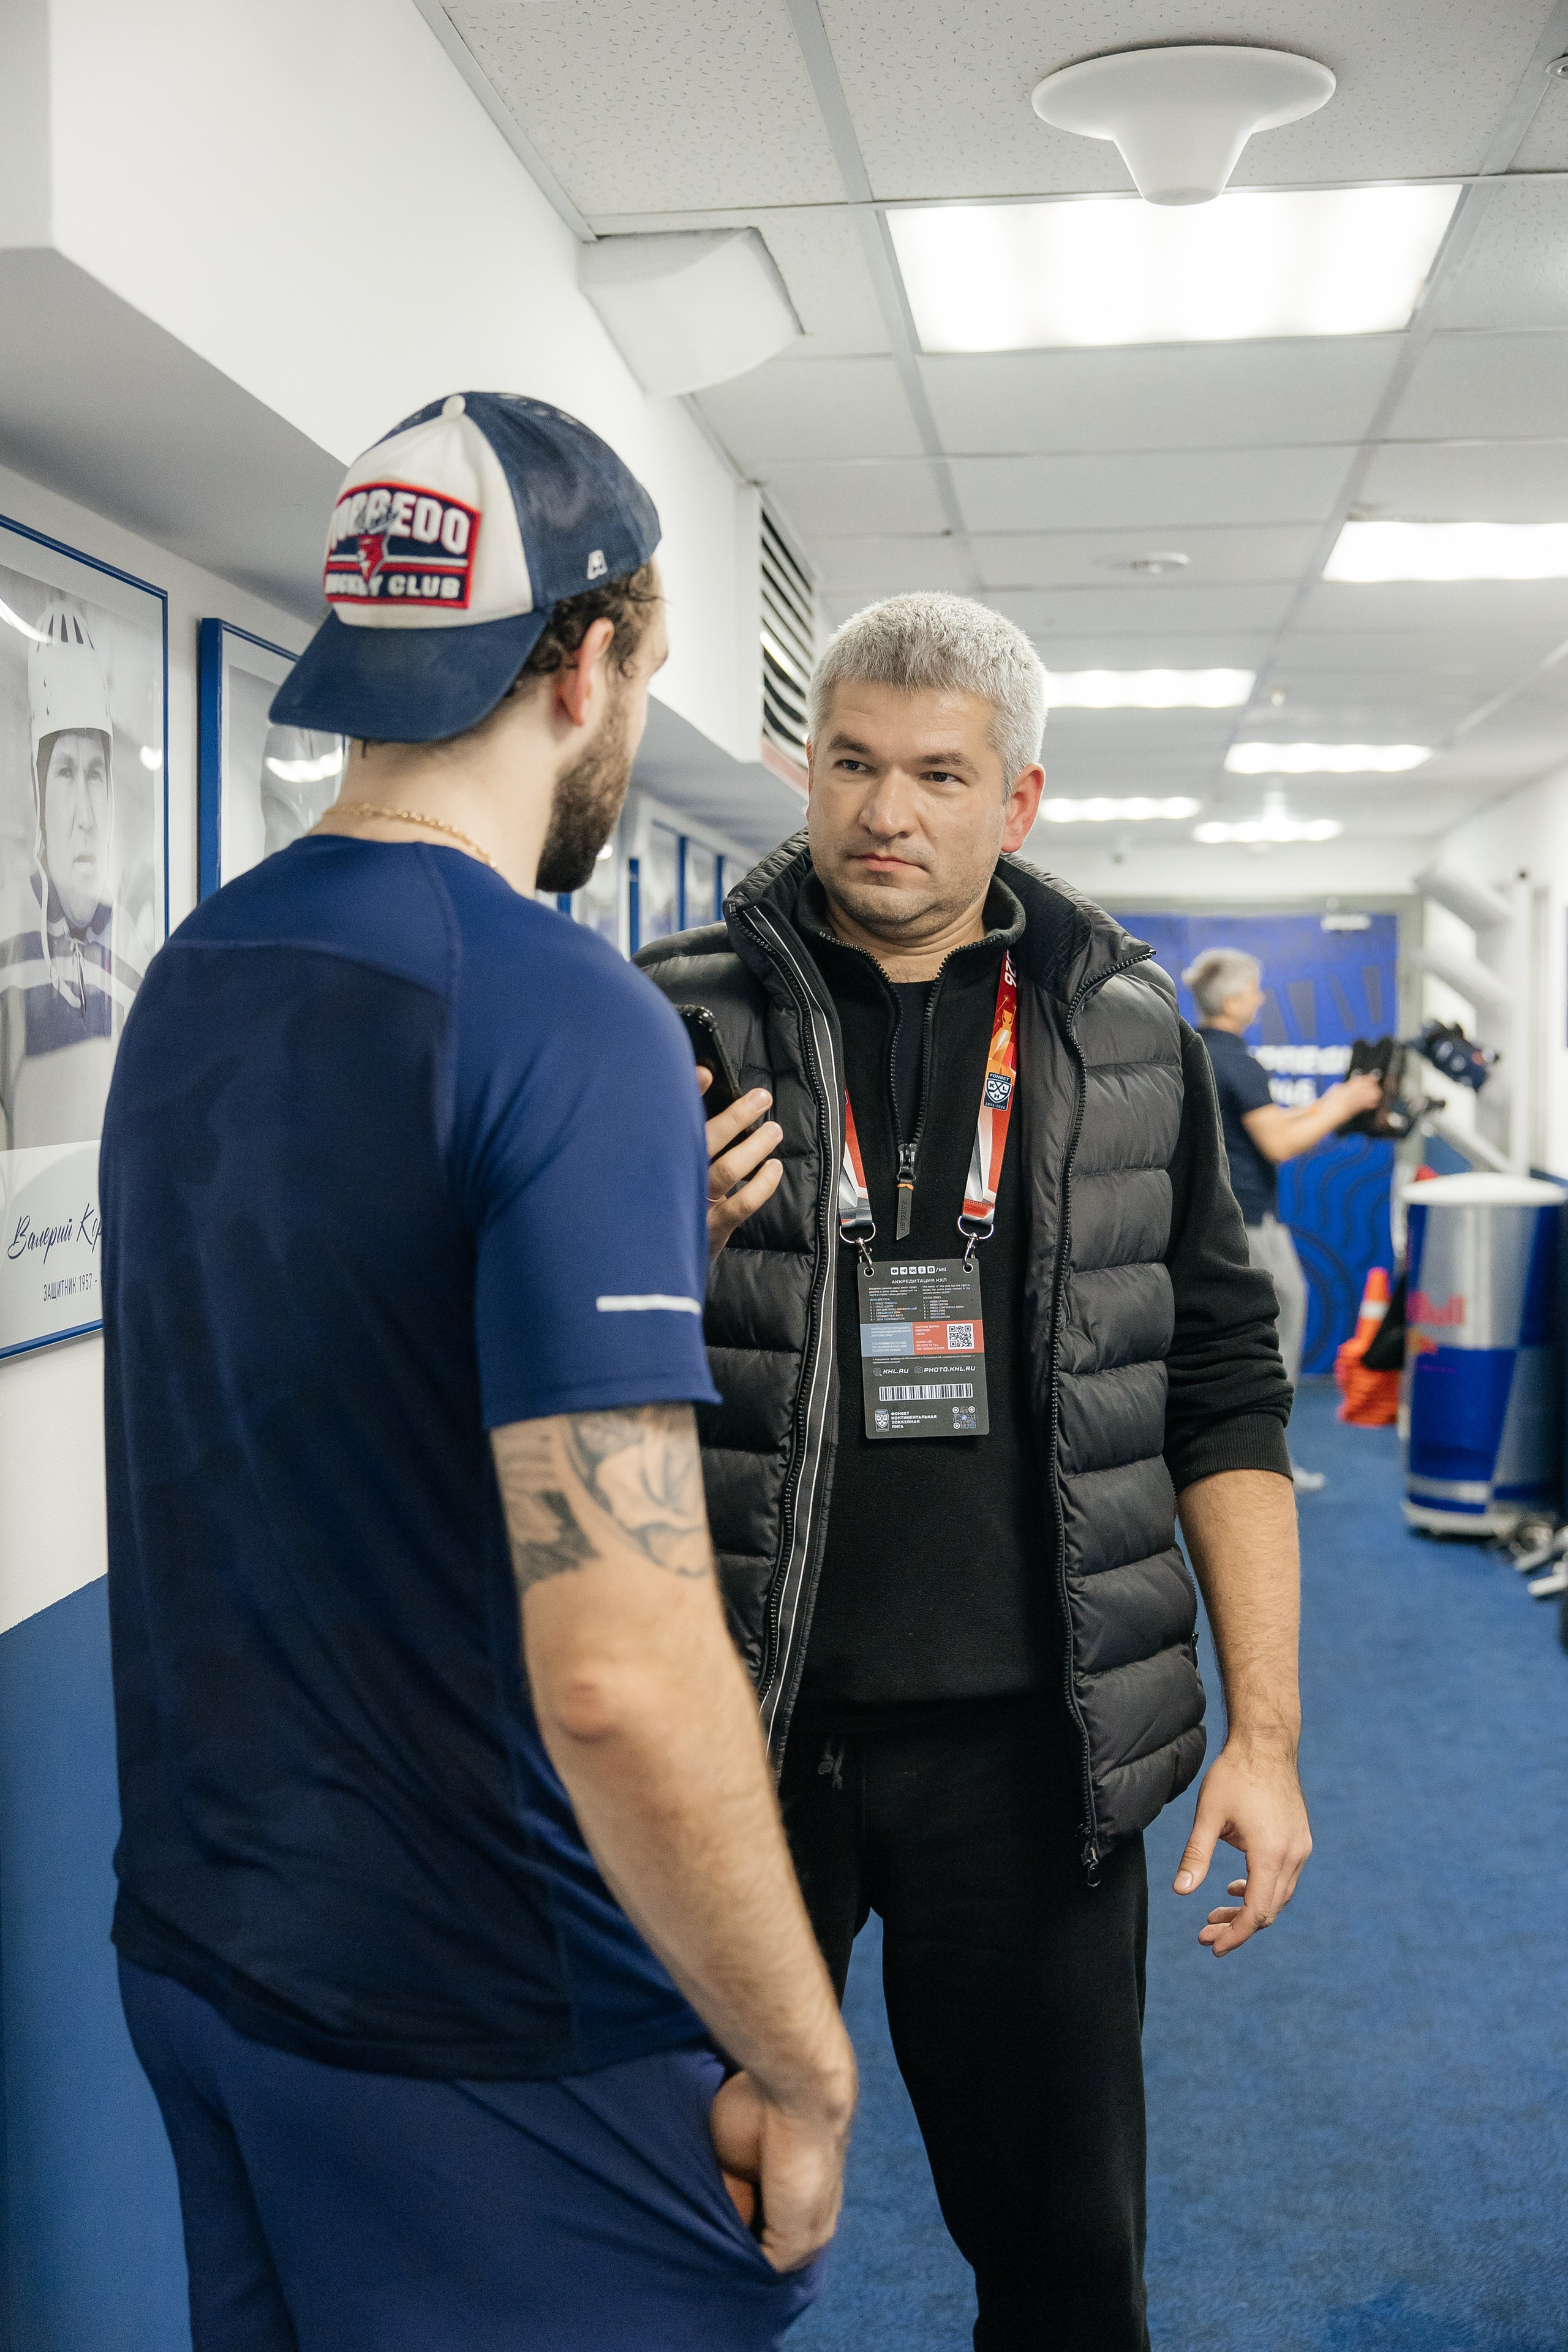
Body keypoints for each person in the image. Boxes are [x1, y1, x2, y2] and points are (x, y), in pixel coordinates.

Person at [100, 391, 854, 2352]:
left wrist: (623, 1266)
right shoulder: (556, 1006)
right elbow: (613, 1669)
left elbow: (324, 1372)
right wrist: (801, 2051)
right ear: (590, 663)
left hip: (206, 1957)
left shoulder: (196, 972)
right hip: (482, 2020)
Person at [639, 590, 1314, 2352]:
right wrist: (638, 1247)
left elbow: (1227, 1392)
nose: (886, 812)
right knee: (669, 2239)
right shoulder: (662, 1022)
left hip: (1038, 1756)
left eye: (940, 775)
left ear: (1015, 801)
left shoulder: (1127, 1033)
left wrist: (1264, 1734)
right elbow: (526, 1358)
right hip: (733, 1744)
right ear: (808, 765)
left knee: (1066, 2269)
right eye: (852, 762)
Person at [1183, 948, 1384, 1492]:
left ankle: (1250, 1455)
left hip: (1223, 1218)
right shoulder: (1238, 1060)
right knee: (1276, 1333)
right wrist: (1342, 1108)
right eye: (1254, 989)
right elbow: (1278, 1143)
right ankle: (1265, 1459)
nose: (1261, 997)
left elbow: (1264, 1123)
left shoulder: (1203, 1050)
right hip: (1248, 1223)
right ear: (1231, 1000)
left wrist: (1334, 1101)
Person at [0, 597, 144, 1148]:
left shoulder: (133, 949)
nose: (85, 816)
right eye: (64, 772)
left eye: (95, 773)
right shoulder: (8, 936)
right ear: (37, 793)